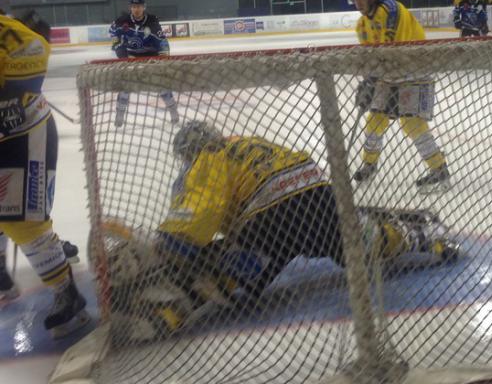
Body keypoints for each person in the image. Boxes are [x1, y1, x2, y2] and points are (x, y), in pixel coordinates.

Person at [107, 121, 459, 340]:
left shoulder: (208, 156)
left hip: (272, 216)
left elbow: (203, 210)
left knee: (228, 277)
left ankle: (171, 311)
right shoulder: (246, 142)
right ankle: (420, 237)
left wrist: (169, 244)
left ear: (189, 152)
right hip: (317, 196)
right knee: (356, 245)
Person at [0, 10, 88, 338]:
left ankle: (67, 293)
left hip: (24, 135)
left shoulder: (9, 33)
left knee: (24, 220)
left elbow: (35, 49)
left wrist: (10, 91)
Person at [347, 0, 450, 191]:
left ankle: (439, 169)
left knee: (412, 125)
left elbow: (392, 48)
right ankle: (369, 164)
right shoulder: (361, 25)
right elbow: (370, 57)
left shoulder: (391, 10)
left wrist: (373, 78)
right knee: (374, 121)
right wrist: (368, 81)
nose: (358, 3)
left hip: (415, 74)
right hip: (388, 77)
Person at [109, 0, 179, 127]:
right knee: (125, 87)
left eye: (139, 6)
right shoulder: (121, 21)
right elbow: (114, 35)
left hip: (151, 58)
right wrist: (120, 51)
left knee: (162, 86)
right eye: (134, 6)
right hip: (130, 58)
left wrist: (163, 56)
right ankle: (119, 116)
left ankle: (174, 113)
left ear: (144, 7)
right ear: (130, 7)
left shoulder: (152, 22)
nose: (136, 9)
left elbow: (162, 41)